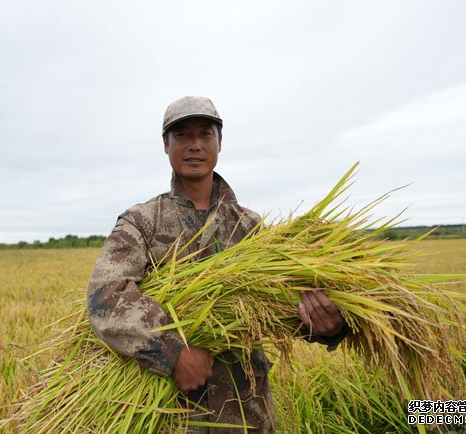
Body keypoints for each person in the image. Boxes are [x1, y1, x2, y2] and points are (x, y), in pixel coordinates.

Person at [87, 96, 348, 433]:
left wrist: (327, 326)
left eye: (205, 134)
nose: (194, 145)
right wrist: (173, 354)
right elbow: (105, 296)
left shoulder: (251, 228)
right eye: (182, 135)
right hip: (170, 416)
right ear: (166, 145)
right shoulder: (143, 222)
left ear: (219, 143)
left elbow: (279, 308)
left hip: (246, 415)